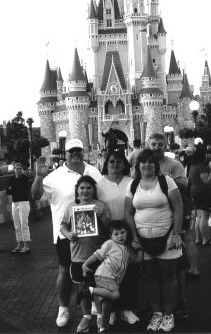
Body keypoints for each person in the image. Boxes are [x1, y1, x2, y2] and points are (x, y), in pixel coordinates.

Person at [31, 138, 102, 327]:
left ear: (83, 151)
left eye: (79, 150)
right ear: (66, 153)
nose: (76, 154)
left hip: (92, 234)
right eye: (71, 151)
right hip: (66, 235)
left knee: (93, 269)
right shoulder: (55, 176)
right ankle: (63, 308)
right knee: (65, 271)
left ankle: (93, 302)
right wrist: (38, 177)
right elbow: (36, 195)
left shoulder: (93, 171)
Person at [125, 148, 183, 332]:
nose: (147, 164)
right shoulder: (133, 185)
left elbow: (178, 207)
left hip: (167, 237)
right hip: (143, 240)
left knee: (168, 277)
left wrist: (176, 233)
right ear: (138, 165)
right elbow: (128, 212)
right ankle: (157, 313)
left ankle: (169, 314)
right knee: (151, 278)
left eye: (150, 161)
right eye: (143, 161)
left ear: (155, 165)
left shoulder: (167, 182)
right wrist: (134, 237)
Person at [148, 133, 198, 317]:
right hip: (154, 222)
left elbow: (185, 187)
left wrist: (164, 177)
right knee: (156, 266)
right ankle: (161, 302)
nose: (156, 147)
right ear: (148, 144)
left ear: (165, 145)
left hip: (174, 220)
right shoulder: (144, 164)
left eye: (160, 144)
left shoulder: (174, 165)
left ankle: (181, 301)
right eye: (153, 144)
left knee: (177, 265)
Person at [60, 175, 110, 333]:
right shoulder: (71, 207)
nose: (85, 190)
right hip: (78, 256)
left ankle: (102, 318)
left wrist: (102, 216)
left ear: (94, 190)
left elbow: (110, 228)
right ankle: (87, 316)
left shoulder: (100, 205)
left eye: (89, 187)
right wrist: (68, 234)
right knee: (83, 290)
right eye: (82, 187)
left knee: (99, 288)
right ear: (77, 190)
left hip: (98, 256)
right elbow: (62, 226)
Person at [97, 150, 139, 325]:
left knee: (129, 273)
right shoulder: (99, 184)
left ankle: (126, 308)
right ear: (107, 164)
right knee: (110, 274)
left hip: (129, 233)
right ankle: (112, 310)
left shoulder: (132, 183)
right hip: (108, 235)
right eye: (112, 161)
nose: (115, 164)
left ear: (124, 164)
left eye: (119, 161)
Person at [82, 220, 140, 333]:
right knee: (115, 295)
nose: (120, 236)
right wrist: (85, 264)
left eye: (122, 232)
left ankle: (103, 327)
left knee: (107, 304)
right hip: (105, 274)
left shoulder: (127, 249)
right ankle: (88, 290)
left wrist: (139, 249)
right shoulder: (110, 243)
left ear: (127, 233)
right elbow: (97, 255)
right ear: (111, 236)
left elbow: (137, 261)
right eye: (116, 234)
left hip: (112, 279)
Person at [188, 145, 211, 245]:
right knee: (204, 217)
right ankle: (205, 239)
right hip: (204, 193)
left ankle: (198, 238)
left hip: (195, 192)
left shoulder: (192, 166)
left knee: (199, 217)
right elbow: (207, 181)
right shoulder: (201, 167)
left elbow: (190, 180)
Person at [6, 162, 31, 253]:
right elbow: (7, 191)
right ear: (14, 170)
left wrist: (13, 189)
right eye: (17, 169)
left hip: (23, 202)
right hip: (14, 203)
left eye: (20, 169)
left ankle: (26, 246)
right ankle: (19, 244)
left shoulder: (25, 178)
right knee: (17, 225)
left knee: (24, 224)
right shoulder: (11, 179)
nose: (19, 170)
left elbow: (24, 190)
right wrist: (14, 189)